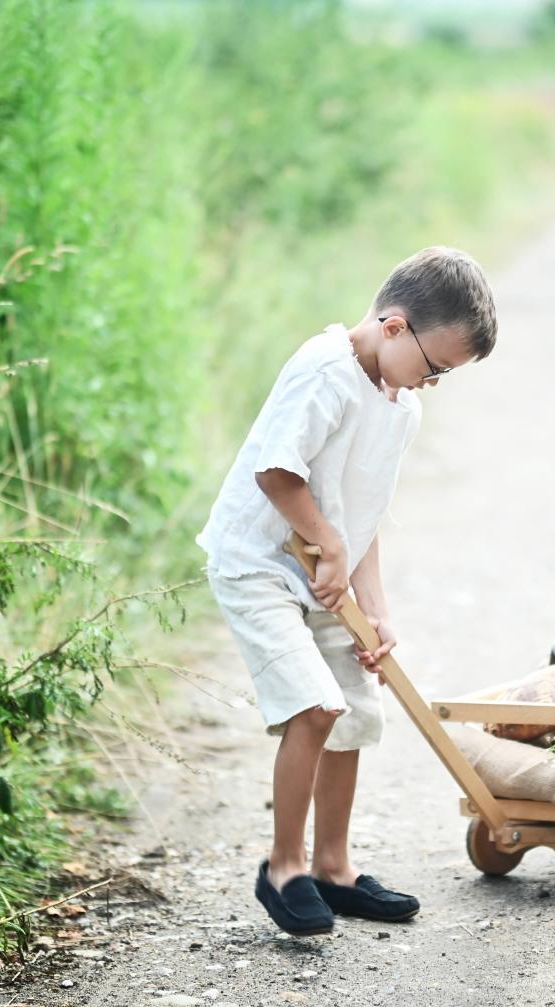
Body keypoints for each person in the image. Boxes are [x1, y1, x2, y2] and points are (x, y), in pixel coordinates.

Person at [197, 247, 497, 935]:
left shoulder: (400, 409)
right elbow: (276, 473)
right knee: (316, 706)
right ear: (394, 327)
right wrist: (326, 545)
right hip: (260, 564)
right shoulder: (323, 372)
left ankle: (333, 869)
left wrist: (377, 607)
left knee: (356, 711)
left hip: (325, 576)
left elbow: (362, 515)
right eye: (434, 368)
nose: (431, 384)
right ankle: (283, 868)